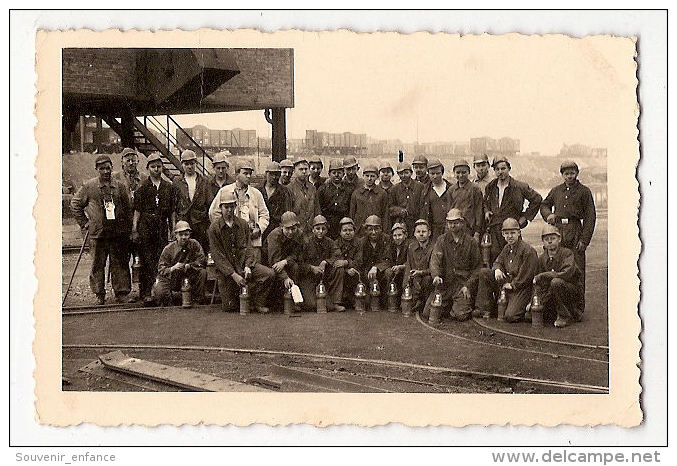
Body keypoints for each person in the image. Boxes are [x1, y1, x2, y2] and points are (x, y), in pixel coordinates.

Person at [71, 155, 133, 305]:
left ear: (112, 168)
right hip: (98, 234)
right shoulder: (89, 186)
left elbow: (128, 209)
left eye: (108, 168)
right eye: (102, 168)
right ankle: (99, 294)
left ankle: (121, 293)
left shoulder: (120, 186)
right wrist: (84, 223)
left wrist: (127, 229)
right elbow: (75, 204)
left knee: (120, 263)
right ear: (96, 169)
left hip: (117, 233)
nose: (105, 171)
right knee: (98, 264)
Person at [540, 160, 596, 315]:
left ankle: (577, 308)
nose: (569, 176)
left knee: (577, 269)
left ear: (577, 173)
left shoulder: (584, 191)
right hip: (558, 231)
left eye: (572, 173)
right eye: (566, 174)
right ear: (562, 175)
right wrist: (549, 215)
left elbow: (590, 217)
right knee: (559, 267)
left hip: (575, 230)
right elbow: (544, 205)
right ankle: (559, 307)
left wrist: (584, 240)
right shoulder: (556, 190)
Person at [208, 191, 273, 313]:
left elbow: (248, 247)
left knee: (268, 274)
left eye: (232, 206)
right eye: (226, 207)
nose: (229, 210)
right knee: (230, 307)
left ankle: (257, 302)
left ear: (235, 207)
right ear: (220, 208)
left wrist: (248, 266)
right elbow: (218, 256)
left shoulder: (242, 224)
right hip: (227, 272)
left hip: (243, 264)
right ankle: (245, 298)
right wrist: (233, 275)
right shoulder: (214, 228)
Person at [423, 209, 482, 322]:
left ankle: (458, 305)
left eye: (456, 222)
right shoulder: (442, 240)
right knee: (428, 313)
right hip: (445, 284)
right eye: (450, 222)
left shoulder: (471, 242)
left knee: (461, 315)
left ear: (462, 223)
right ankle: (450, 305)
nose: (453, 225)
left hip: (462, 285)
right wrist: (436, 276)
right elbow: (435, 260)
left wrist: (468, 286)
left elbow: (477, 268)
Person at [475, 218, 538, 322]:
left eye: (513, 233)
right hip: (509, 283)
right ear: (503, 234)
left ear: (519, 233)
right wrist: (497, 269)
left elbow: (526, 276)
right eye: (506, 233)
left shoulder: (528, 251)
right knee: (485, 272)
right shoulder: (507, 248)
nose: (510, 236)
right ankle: (484, 308)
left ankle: (526, 309)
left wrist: (513, 285)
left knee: (510, 316)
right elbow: (498, 262)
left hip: (522, 288)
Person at [131, 153, 174, 305]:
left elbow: (171, 212)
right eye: (153, 167)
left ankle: (161, 290)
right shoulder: (142, 187)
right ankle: (145, 291)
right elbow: (137, 211)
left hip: (161, 224)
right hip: (146, 225)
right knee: (146, 258)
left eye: (159, 166)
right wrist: (135, 229)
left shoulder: (168, 187)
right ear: (148, 168)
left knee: (161, 257)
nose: (156, 169)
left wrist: (172, 228)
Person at [483, 156, 542, 262]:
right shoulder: (490, 186)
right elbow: (485, 202)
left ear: (509, 169)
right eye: (497, 169)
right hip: (495, 229)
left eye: (503, 168)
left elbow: (537, 199)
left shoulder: (519, 186)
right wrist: (487, 211)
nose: (500, 172)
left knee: (515, 256)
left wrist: (525, 217)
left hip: (512, 228)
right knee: (495, 256)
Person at [208, 159, 269, 250]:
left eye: (250, 174)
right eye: (245, 173)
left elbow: (265, 215)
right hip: (230, 242)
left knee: (252, 263)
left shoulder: (256, 194)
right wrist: (225, 229)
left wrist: (259, 229)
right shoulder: (224, 191)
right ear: (237, 174)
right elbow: (213, 213)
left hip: (252, 241)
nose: (248, 176)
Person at [532, 224, 584, 328]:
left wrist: (545, 275)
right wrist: (533, 301)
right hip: (552, 292)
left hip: (570, 291)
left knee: (556, 282)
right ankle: (561, 312)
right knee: (531, 315)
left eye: (553, 238)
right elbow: (537, 282)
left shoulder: (567, 253)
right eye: (546, 239)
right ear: (543, 242)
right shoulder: (542, 258)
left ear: (559, 239)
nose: (550, 241)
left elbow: (566, 273)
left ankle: (565, 316)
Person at [152, 221, 207, 306]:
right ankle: (168, 305)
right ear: (176, 235)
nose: (184, 237)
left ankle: (198, 301)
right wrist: (173, 268)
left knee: (202, 272)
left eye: (186, 234)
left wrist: (189, 265)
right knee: (160, 293)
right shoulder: (168, 249)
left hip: (188, 273)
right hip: (171, 277)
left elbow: (202, 259)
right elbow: (161, 269)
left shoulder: (194, 244)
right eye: (181, 235)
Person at [298, 215, 346, 312]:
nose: (320, 231)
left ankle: (335, 302)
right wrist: (311, 268)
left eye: (323, 229)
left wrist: (326, 261)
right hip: (309, 278)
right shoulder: (306, 242)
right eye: (317, 228)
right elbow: (299, 262)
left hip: (324, 277)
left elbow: (337, 255)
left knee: (330, 307)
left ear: (326, 230)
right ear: (313, 230)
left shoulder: (330, 242)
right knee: (311, 305)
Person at [172, 149, 211, 254]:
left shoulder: (204, 181)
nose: (189, 166)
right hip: (184, 221)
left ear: (196, 163)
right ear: (182, 165)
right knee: (184, 251)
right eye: (186, 164)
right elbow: (174, 204)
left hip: (200, 223)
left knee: (200, 250)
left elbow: (209, 203)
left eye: (192, 163)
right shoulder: (177, 181)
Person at [355, 215, 392, 307]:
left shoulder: (387, 239)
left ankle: (387, 300)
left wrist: (376, 267)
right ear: (365, 230)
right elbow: (359, 262)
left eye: (376, 229)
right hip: (367, 274)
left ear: (381, 229)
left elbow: (389, 259)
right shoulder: (361, 242)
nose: (373, 232)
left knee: (389, 272)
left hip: (381, 272)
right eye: (370, 229)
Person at [267, 211, 304, 298]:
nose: (290, 232)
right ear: (281, 226)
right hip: (270, 262)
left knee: (295, 267)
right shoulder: (274, 235)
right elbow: (273, 261)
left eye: (293, 228)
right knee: (272, 273)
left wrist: (285, 261)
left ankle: (293, 298)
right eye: (287, 229)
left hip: (286, 262)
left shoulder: (299, 234)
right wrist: (285, 277)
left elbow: (297, 254)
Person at [404, 219, 434, 315]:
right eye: (418, 231)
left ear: (429, 233)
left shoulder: (434, 247)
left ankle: (424, 302)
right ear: (414, 234)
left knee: (427, 279)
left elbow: (434, 269)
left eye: (424, 231)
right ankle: (417, 300)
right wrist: (406, 283)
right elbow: (409, 265)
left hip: (428, 280)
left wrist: (421, 272)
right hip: (415, 280)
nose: (421, 234)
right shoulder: (411, 247)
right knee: (405, 305)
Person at [259, 161, 293, 246]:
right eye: (271, 174)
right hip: (261, 228)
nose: (274, 177)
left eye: (277, 174)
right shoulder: (258, 190)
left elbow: (287, 212)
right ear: (266, 174)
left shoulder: (284, 191)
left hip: (277, 229)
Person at [449, 159, 484, 241]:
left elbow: (479, 212)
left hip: (470, 230)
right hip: (455, 229)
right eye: (458, 172)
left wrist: (477, 232)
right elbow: (449, 211)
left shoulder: (475, 189)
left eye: (464, 172)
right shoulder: (451, 190)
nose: (461, 175)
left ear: (468, 172)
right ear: (454, 173)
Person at [349, 163, 389, 233]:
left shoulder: (382, 193)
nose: (369, 179)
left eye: (372, 176)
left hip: (376, 230)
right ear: (363, 176)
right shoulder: (356, 193)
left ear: (377, 177)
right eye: (367, 176)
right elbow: (352, 214)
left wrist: (385, 232)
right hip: (360, 230)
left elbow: (385, 215)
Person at [317, 159, 351, 239]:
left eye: (339, 173)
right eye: (334, 173)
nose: (336, 175)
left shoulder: (348, 189)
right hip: (327, 223)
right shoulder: (323, 189)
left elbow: (350, 208)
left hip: (343, 223)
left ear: (343, 174)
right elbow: (318, 207)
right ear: (329, 174)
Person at [388, 161, 424, 236]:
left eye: (406, 173)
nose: (404, 176)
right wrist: (400, 210)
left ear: (411, 173)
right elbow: (390, 207)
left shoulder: (420, 187)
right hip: (401, 223)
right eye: (401, 173)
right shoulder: (394, 189)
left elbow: (423, 205)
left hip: (416, 222)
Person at [332, 217, 361, 308]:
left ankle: (356, 299)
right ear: (340, 232)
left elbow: (359, 261)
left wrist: (347, 263)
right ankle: (336, 302)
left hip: (355, 271)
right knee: (339, 270)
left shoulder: (359, 243)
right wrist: (346, 269)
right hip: (342, 272)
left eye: (350, 230)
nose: (348, 233)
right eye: (345, 230)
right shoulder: (335, 243)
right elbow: (337, 261)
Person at [421, 158, 452, 241]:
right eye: (432, 173)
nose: (435, 176)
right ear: (428, 174)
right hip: (433, 229)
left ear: (442, 172)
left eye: (438, 173)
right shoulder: (425, 190)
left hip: (449, 227)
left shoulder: (450, 188)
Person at [287, 158, 320, 234]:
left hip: (311, 229)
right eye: (301, 169)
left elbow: (317, 209)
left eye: (306, 169)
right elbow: (288, 211)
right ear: (294, 171)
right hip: (296, 229)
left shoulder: (312, 188)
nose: (304, 172)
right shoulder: (289, 188)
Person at [385, 223, 410, 289]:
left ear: (405, 235)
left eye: (400, 235)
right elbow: (387, 259)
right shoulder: (391, 246)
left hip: (406, 271)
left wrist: (401, 267)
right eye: (395, 236)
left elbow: (411, 262)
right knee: (388, 272)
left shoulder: (410, 246)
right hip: (395, 271)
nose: (397, 238)